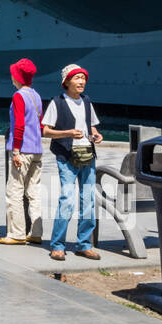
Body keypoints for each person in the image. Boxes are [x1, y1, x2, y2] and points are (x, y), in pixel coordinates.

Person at [42, 64, 104, 262]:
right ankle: (58, 245)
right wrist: (68, 133)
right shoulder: (57, 103)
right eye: (77, 78)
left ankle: (84, 244)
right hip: (66, 156)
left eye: (83, 78)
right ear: (66, 82)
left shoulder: (86, 101)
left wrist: (96, 135)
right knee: (67, 199)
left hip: (87, 154)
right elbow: (45, 131)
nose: (82, 81)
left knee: (88, 200)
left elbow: (92, 126)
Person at [0, 58, 44, 246]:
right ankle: (35, 232)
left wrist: (16, 150)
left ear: (16, 76)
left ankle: (17, 233)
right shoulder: (36, 96)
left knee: (14, 191)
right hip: (37, 149)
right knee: (34, 191)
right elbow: (39, 124)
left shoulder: (18, 96)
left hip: (23, 149)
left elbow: (19, 125)